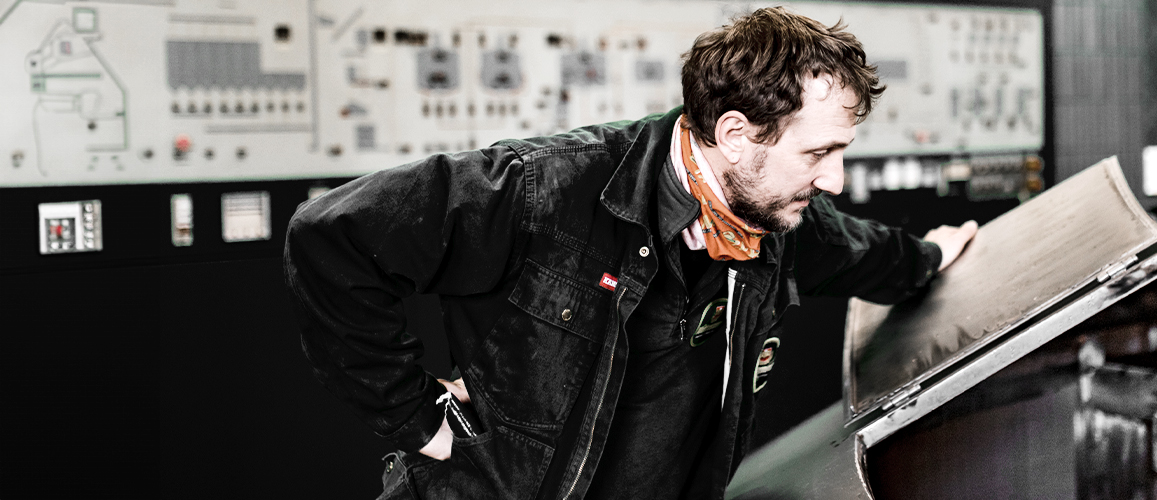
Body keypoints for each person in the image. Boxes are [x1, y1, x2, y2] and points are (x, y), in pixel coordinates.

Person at [283, 6, 979, 499]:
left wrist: (932, 257)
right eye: (818, 153)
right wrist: (416, 417)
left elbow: (868, 253)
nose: (834, 180)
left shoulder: (782, 221)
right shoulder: (543, 188)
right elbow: (330, 236)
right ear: (736, 135)